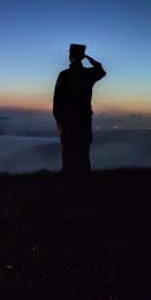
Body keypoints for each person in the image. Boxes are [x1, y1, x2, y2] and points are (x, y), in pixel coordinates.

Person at [53, 44, 106, 191]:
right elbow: (101, 71)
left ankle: (68, 183)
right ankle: (83, 182)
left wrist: (58, 120)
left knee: (68, 151)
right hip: (83, 119)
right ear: (82, 57)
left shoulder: (64, 75)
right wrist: (91, 60)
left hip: (68, 120)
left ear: (70, 57)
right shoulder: (88, 74)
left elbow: (57, 99)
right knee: (83, 151)